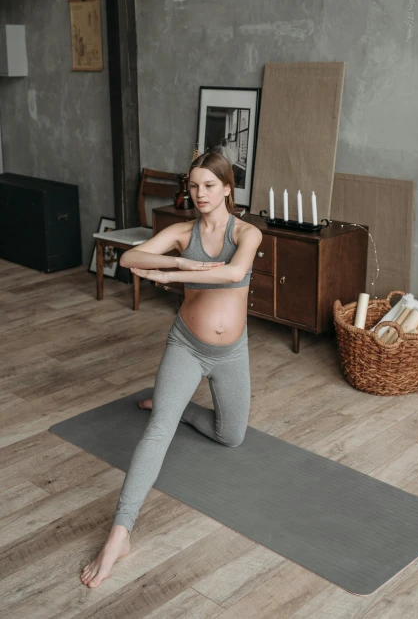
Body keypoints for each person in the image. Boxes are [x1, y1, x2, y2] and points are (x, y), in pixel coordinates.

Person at [80, 151, 262, 588]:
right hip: (187, 345)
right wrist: (180, 262)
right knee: (156, 432)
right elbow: (128, 260)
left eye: (209, 186)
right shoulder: (183, 233)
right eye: (194, 186)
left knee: (231, 435)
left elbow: (234, 272)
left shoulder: (248, 233)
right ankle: (118, 538)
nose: (200, 194)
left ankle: (177, 406)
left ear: (226, 189)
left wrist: (171, 279)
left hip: (232, 353)